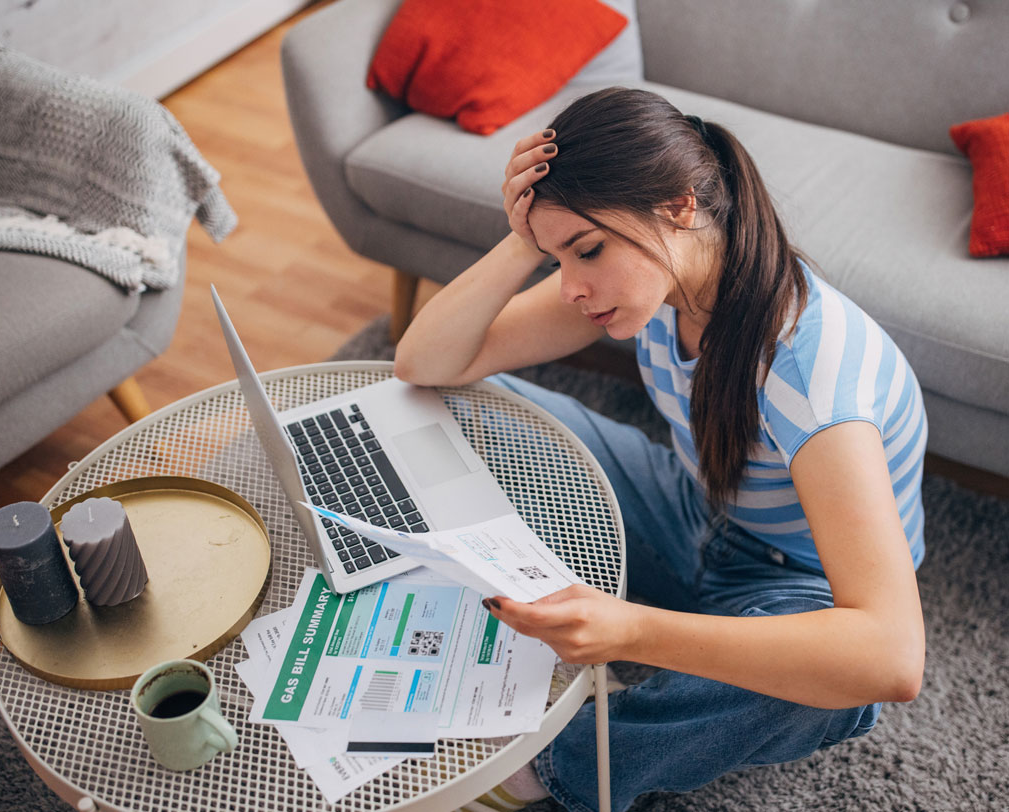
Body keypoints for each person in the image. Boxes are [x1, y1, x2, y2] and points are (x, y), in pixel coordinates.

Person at [394, 87, 927, 812]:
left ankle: (555, 765)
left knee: (828, 696)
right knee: (457, 406)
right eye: (560, 257)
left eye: (587, 250)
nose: (574, 288)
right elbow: (423, 363)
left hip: (796, 587)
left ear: (678, 207)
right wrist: (525, 237)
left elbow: (893, 657)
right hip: (691, 505)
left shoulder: (808, 373)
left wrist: (635, 634)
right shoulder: (654, 282)